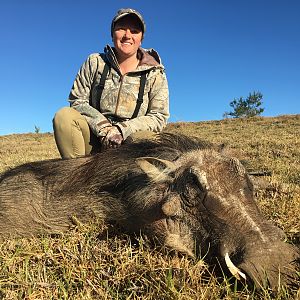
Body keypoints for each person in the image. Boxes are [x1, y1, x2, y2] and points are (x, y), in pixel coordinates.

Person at [53, 8, 169, 159]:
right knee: (64, 117)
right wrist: (105, 129)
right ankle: (79, 175)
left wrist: (122, 130)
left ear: (141, 39)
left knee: (148, 138)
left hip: (131, 144)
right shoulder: (94, 62)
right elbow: (77, 101)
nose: (127, 35)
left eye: (134, 31)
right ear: (112, 34)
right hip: (94, 138)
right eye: (121, 29)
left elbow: (158, 116)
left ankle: (132, 179)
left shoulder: (155, 73)